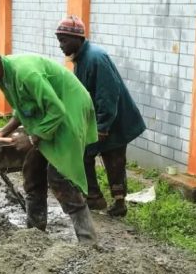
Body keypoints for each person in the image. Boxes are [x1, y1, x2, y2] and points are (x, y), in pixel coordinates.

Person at [0, 44, 99, 244]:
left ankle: (88, 241)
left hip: (69, 111)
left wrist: (33, 138)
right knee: (32, 169)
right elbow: (23, 107)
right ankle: (34, 235)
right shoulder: (4, 75)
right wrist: (4, 131)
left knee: (60, 177)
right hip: (50, 114)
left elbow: (58, 110)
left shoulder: (25, 73)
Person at [55, 15, 146, 217]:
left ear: (77, 39)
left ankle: (115, 202)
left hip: (115, 120)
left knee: (114, 160)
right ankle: (95, 198)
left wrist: (103, 127)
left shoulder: (95, 58)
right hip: (101, 121)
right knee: (89, 156)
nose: (60, 45)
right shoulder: (81, 58)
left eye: (63, 40)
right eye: (59, 40)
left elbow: (108, 95)